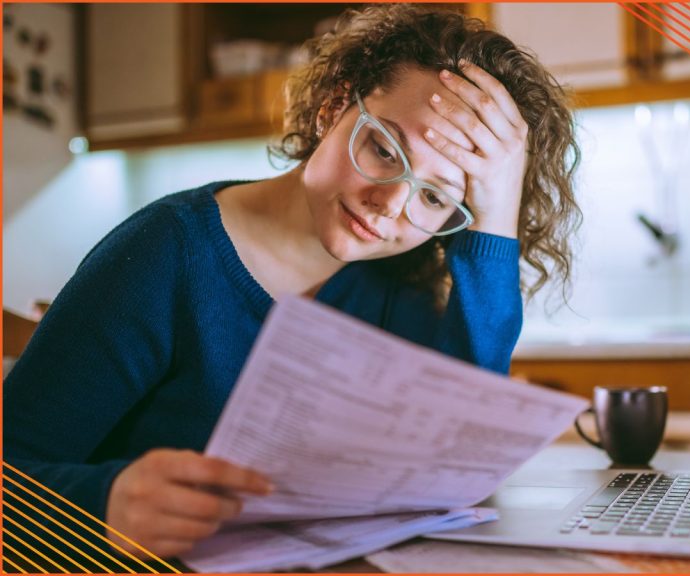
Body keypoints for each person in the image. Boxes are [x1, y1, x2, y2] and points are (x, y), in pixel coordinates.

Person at [3, 4, 581, 560]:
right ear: (334, 106)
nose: (388, 207)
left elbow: (459, 469)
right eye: (383, 149)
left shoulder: (397, 284)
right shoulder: (164, 255)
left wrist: (497, 218)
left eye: (434, 197)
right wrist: (106, 505)